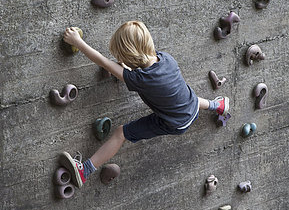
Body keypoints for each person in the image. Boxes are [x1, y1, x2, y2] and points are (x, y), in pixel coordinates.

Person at [59, 21, 229, 187]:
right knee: (181, 98)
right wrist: (125, 65)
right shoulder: (165, 58)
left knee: (121, 133)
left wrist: (77, 42)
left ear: (128, 55)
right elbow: (144, 69)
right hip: (190, 105)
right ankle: (217, 106)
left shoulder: (139, 79)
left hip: (174, 124)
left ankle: (85, 171)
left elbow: (104, 62)